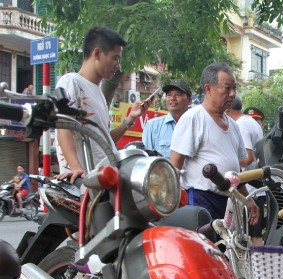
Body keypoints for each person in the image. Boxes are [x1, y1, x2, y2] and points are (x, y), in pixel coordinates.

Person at [56, 27, 150, 182]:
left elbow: (104, 140)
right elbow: (63, 128)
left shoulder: (98, 92)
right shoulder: (71, 81)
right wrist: (76, 168)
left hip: (105, 179)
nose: (118, 65)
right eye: (115, 58)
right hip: (85, 183)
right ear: (98, 53)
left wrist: (130, 119)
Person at [170, 63, 259, 222]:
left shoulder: (234, 125)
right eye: (227, 88)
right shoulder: (193, 118)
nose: (232, 94)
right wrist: (171, 204)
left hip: (228, 203)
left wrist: (247, 199)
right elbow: (175, 164)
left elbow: (236, 171)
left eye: (234, 88)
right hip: (201, 201)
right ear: (208, 89)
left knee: (228, 240)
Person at [227, 96, 265, 244]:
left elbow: (248, 158)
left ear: (227, 109)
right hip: (254, 187)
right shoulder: (250, 121)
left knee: (252, 237)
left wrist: (227, 162)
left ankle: (257, 260)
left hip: (249, 190)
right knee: (251, 235)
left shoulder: (240, 124)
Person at [142, 79, 193, 158]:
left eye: (178, 94)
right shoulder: (152, 126)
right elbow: (146, 160)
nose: (173, 98)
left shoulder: (197, 125)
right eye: (169, 95)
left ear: (189, 100)